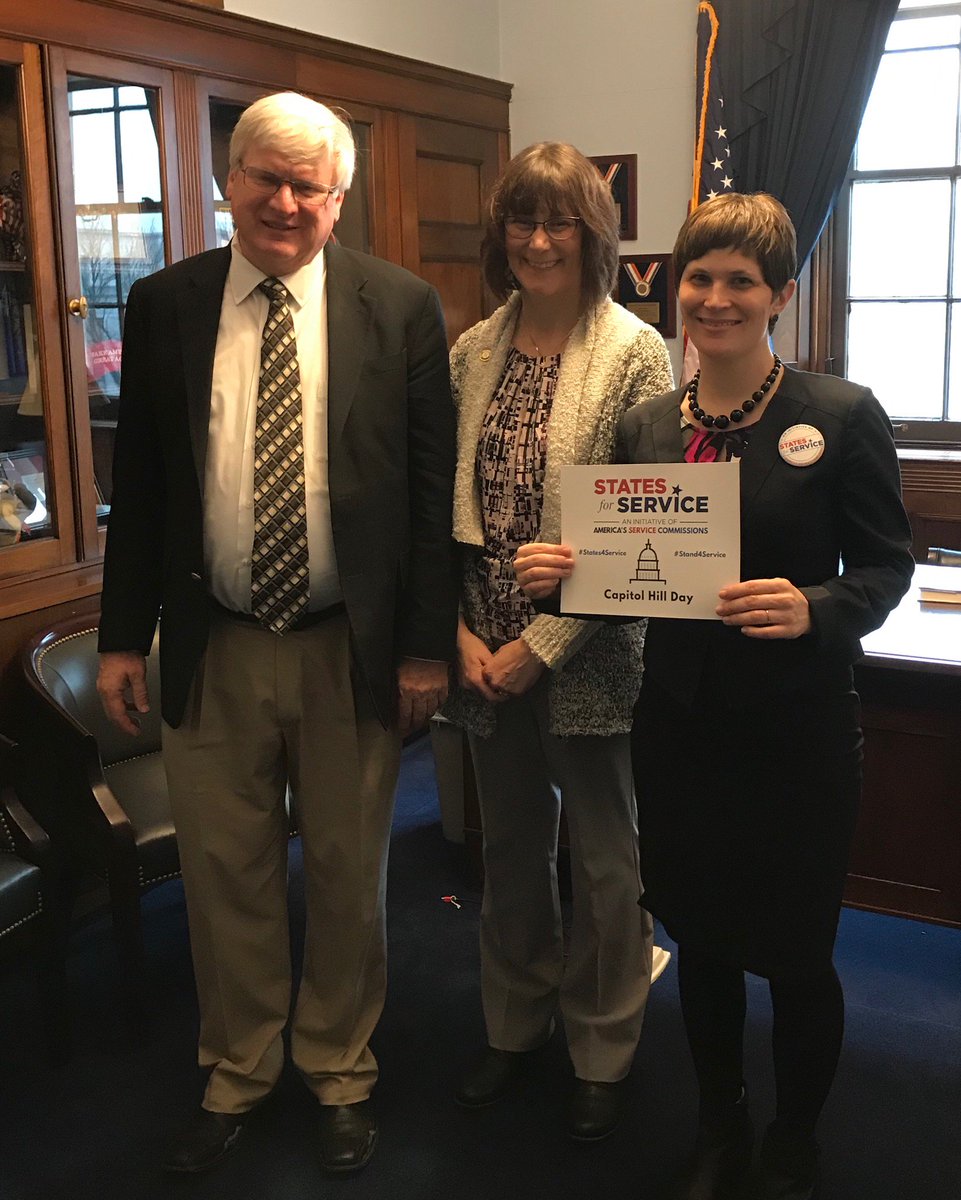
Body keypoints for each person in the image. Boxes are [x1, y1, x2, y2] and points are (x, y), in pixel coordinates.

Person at [514, 193, 913, 1198]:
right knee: (700, 941)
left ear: (779, 294)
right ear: (674, 287)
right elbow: (622, 574)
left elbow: (884, 568)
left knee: (794, 951)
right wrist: (556, 577)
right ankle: (719, 1122)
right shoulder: (651, 424)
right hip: (679, 731)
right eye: (700, 277)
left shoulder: (837, 414)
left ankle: (794, 1139)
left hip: (797, 735)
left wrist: (815, 606)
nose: (716, 298)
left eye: (741, 280)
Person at [96, 91, 457, 1177]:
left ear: (340, 197)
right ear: (228, 180)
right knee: (224, 872)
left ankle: (339, 1067)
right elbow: (145, 489)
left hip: (350, 644)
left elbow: (430, 494)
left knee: (349, 872)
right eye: (267, 176)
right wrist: (123, 640)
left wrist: (425, 649)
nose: (286, 201)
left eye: (310, 183)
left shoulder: (401, 307)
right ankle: (240, 1065)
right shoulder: (164, 304)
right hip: (214, 639)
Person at [442, 142, 674, 1141]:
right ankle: (514, 1025)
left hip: (587, 658)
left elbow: (644, 534)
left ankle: (604, 1042)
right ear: (500, 234)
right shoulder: (470, 352)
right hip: (482, 659)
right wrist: (459, 632)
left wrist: (544, 642)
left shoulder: (634, 352)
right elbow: (447, 513)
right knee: (510, 854)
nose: (539, 241)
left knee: (605, 863)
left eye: (560, 221)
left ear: (593, 234)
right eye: (522, 221)